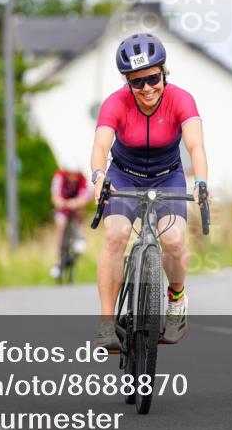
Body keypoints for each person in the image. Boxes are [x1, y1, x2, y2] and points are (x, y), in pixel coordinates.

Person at [89, 32, 210, 351]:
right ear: (126, 82)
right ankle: (105, 325)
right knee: (115, 236)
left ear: (164, 72)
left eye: (153, 78)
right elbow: (101, 145)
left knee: (172, 239)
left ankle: (176, 302)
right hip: (123, 176)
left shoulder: (181, 99)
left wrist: (200, 182)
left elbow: (195, 146)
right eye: (137, 82)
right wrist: (100, 177)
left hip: (167, 176)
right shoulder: (115, 103)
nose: (147, 89)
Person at [49, 168, 90, 279]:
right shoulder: (59, 176)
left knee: (80, 212)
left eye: (75, 175)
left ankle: (79, 236)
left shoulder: (82, 178)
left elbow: (85, 196)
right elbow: (55, 194)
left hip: (75, 207)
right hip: (62, 207)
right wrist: (59, 202)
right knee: (61, 224)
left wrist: (76, 202)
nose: (73, 177)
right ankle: (58, 259)